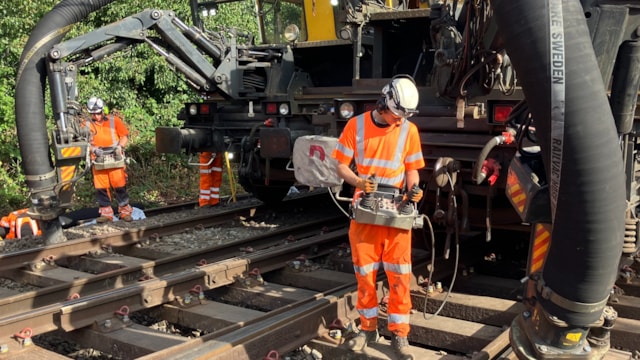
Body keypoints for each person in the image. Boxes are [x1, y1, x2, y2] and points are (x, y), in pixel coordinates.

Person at [331, 75, 425, 359]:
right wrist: (359, 183)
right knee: (365, 273)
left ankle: (399, 334)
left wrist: (414, 191)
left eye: (402, 117)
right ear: (383, 101)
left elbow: (412, 169)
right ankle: (368, 327)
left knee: (399, 274)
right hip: (366, 204)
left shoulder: (409, 130)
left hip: (396, 205)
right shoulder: (355, 126)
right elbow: (340, 166)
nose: (398, 121)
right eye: (395, 115)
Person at [86, 96, 134, 222]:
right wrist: (93, 149)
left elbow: (124, 136)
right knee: (101, 188)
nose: (96, 116)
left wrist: (120, 147)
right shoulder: (86, 125)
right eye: (93, 114)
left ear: (103, 110)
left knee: (120, 185)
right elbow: (84, 143)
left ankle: (125, 212)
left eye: (98, 113)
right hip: (98, 160)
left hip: (115, 158)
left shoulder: (114, 121)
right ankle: (106, 215)